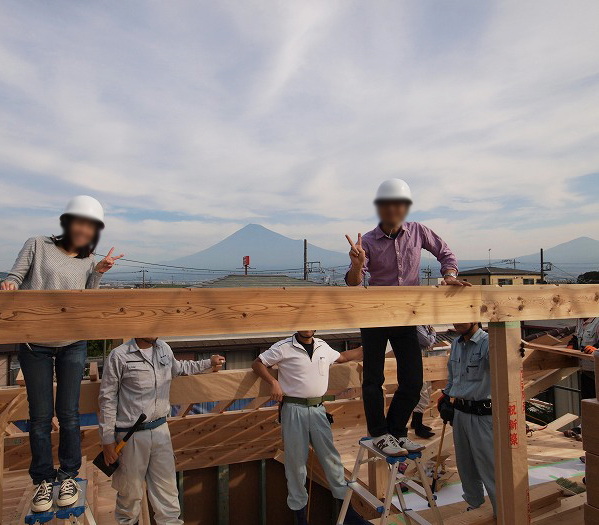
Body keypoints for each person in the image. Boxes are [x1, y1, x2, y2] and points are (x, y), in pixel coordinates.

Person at [2, 195, 122, 512]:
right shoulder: (37, 245)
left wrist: (97, 272)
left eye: (92, 225)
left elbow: (85, 300)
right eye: (80, 221)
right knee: (40, 417)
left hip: (73, 341)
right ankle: (43, 481)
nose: (85, 229)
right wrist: (10, 286)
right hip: (34, 343)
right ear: (67, 221)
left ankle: (67, 475)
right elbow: (16, 275)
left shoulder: (87, 260)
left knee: (68, 415)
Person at [345, 178, 470, 457]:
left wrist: (449, 275)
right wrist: (357, 265)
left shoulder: (418, 232)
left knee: (413, 380)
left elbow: (446, 253)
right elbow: (354, 283)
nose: (394, 210)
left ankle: (396, 432)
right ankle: (379, 434)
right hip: (375, 316)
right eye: (387, 204)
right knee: (373, 379)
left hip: (406, 316)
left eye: (399, 204)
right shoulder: (367, 241)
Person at [99, 338, 225, 525]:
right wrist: (107, 440)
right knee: (129, 497)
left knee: (168, 499)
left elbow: (180, 368)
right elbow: (107, 398)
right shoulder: (119, 356)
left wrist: (209, 362)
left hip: (160, 431)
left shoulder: (163, 348)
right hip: (130, 436)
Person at [251, 331, 370, 525]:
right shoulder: (284, 347)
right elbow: (257, 363)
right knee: (296, 466)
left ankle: (349, 515)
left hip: (318, 410)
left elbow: (343, 357)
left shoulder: (323, 346)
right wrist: (273, 382)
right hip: (293, 410)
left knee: (332, 462)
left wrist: (369, 347)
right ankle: (301, 520)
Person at [438, 323, 496, 514]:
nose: (457, 322)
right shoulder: (456, 344)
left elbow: (504, 363)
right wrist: (446, 398)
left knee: (489, 465)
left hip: (482, 414)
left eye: (462, 317)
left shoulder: (488, 343)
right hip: (460, 413)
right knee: (465, 465)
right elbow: (453, 377)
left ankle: (502, 509)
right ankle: (475, 503)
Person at [410, 325, 437, 439]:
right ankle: (418, 427)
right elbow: (426, 341)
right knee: (423, 392)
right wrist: (433, 334)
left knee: (425, 391)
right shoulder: (418, 326)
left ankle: (416, 422)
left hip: (423, 362)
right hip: (418, 362)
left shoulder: (424, 326)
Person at [567, 318, 598, 400]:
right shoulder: (580, 319)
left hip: (597, 374)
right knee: (587, 403)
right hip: (585, 371)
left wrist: (596, 349)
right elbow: (576, 336)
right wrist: (571, 344)